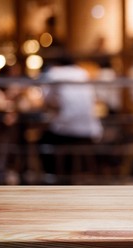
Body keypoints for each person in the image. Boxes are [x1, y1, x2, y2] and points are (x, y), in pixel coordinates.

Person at [39, 55, 103, 184]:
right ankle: (76, 177)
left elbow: (45, 100)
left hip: (67, 132)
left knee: (43, 143)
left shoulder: (54, 74)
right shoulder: (83, 73)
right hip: (89, 131)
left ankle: (53, 180)